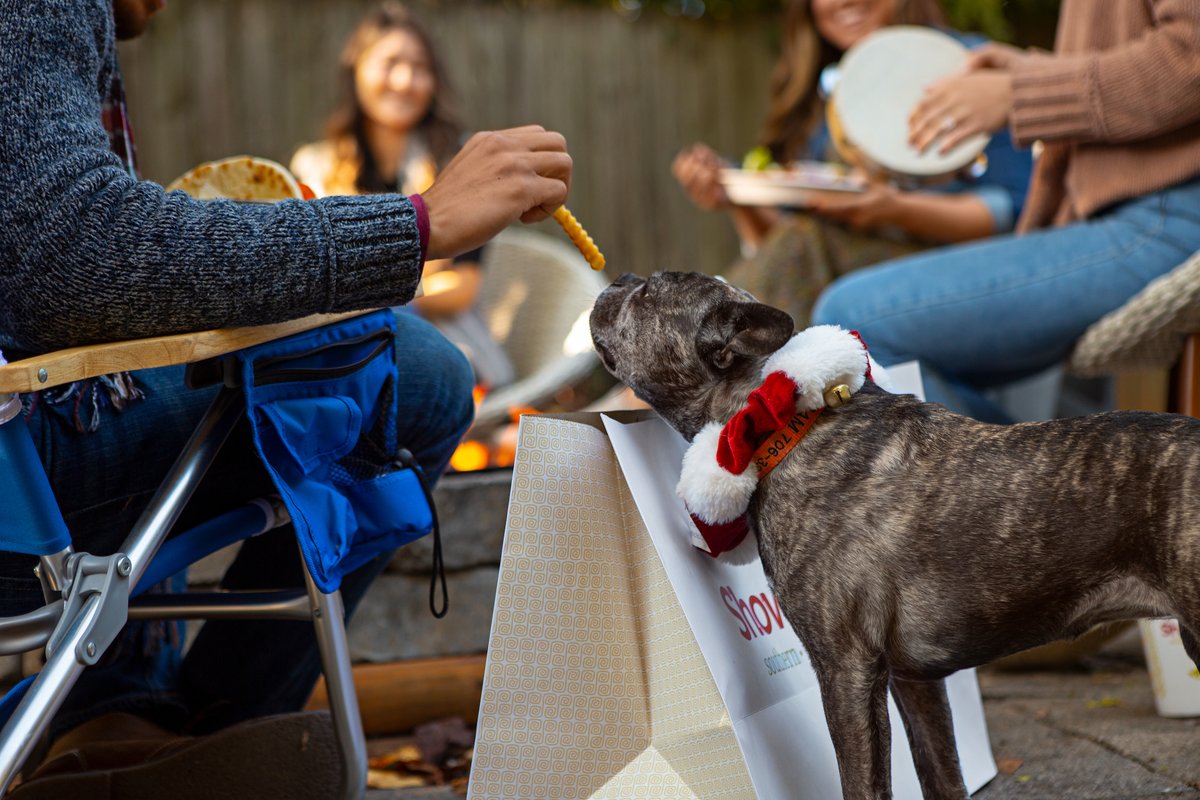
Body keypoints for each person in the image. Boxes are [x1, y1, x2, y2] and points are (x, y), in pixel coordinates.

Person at [0, 0, 571, 796]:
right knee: (415, 372)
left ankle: (109, 722)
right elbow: (78, 254)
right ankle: (198, 741)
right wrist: (417, 224)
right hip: (20, 476)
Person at [811, 0, 1200, 423]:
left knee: (853, 323)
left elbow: (1190, 55)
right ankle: (1042, 464)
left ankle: (1027, 467)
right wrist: (1030, 76)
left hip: (1167, 216)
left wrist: (1021, 93)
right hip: (1126, 217)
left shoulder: (953, 54)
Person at [671, 0, 1032, 327]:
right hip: (850, 277)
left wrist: (895, 209)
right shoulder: (822, 92)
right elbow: (784, 245)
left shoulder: (967, 63)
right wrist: (735, 195)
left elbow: (1013, 210)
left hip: (970, 280)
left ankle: (695, 358)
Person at [291, 2, 515, 389]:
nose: (405, 80)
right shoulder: (315, 170)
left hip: (444, 341)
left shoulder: (459, 163)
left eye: (420, 67)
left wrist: (369, 292)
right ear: (356, 71)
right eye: (390, 62)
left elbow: (462, 287)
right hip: (341, 349)